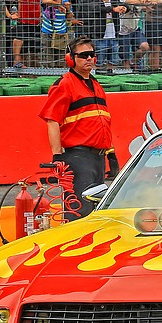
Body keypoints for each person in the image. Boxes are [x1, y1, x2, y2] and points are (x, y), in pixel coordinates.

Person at [38, 36, 118, 220]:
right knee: (79, 212)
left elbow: (102, 123)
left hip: (97, 158)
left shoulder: (96, 85)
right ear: (70, 59)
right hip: (78, 158)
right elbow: (52, 121)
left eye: (91, 54)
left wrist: (111, 154)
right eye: (83, 55)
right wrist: (57, 156)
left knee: (95, 212)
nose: (89, 58)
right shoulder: (65, 84)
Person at [11, 0, 45, 68]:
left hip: (35, 22)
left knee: (35, 52)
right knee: (23, 51)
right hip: (22, 22)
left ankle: (34, 72)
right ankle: (23, 73)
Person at [116, 0, 152, 71]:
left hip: (135, 29)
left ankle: (134, 60)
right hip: (123, 30)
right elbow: (129, 1)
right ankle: (127, 71)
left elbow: (157, 0)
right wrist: (144, 2)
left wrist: (151, 1)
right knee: (125, 57)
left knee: (145, 46)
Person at [39, 0, 70, 66]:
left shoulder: (64, 0)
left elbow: (69, 17)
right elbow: (45, 1)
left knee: (61, 60)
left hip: (61, 33)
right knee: (48, 60)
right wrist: (58, 5)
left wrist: (67, 9)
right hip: (47, 32)